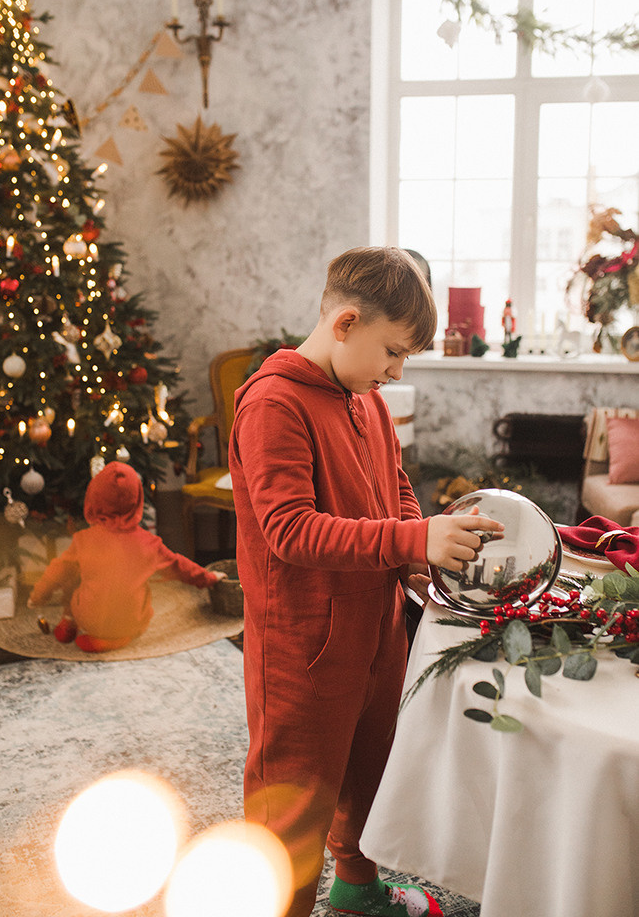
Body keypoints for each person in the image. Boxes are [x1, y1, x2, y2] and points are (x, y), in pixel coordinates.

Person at [228, 246, 504, 917]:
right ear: (345, 322)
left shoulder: (367, 399)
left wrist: (418, 549)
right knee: (290, 801)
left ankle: (357, 889)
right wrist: (412, 538)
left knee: (369, 771)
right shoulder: (273, 404)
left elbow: (394, 487)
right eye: (393, 351)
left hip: (374, 632)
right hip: (303, 650)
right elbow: (290, 530)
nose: (396, 369)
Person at [28, 461, 226, 652]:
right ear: (138, 499)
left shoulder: (83, 540)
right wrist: (209, 577)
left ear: (93, 498)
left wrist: (38, 597)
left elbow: (55, 572)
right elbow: (179, 566)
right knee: (141, 594)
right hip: (130, 621)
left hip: (90, 620)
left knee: (70, 578)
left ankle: (70, 621)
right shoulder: (149, 543)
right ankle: (119, 638)